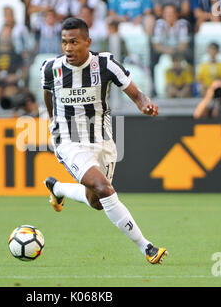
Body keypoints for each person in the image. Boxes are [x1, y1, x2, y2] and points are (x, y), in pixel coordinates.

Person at [40, 17, 167, 264]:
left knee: (97, 202)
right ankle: (147, 247)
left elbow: (135, 92)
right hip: (69, 141)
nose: (68, 48)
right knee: (105, 189)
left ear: (87, 42)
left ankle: (57, 188)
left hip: (103, 140)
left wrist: (145, 105)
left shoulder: (106, 64)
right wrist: (53, 122)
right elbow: (48, 95)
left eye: (74, 42)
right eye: (64, 42)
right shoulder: (50, 68)